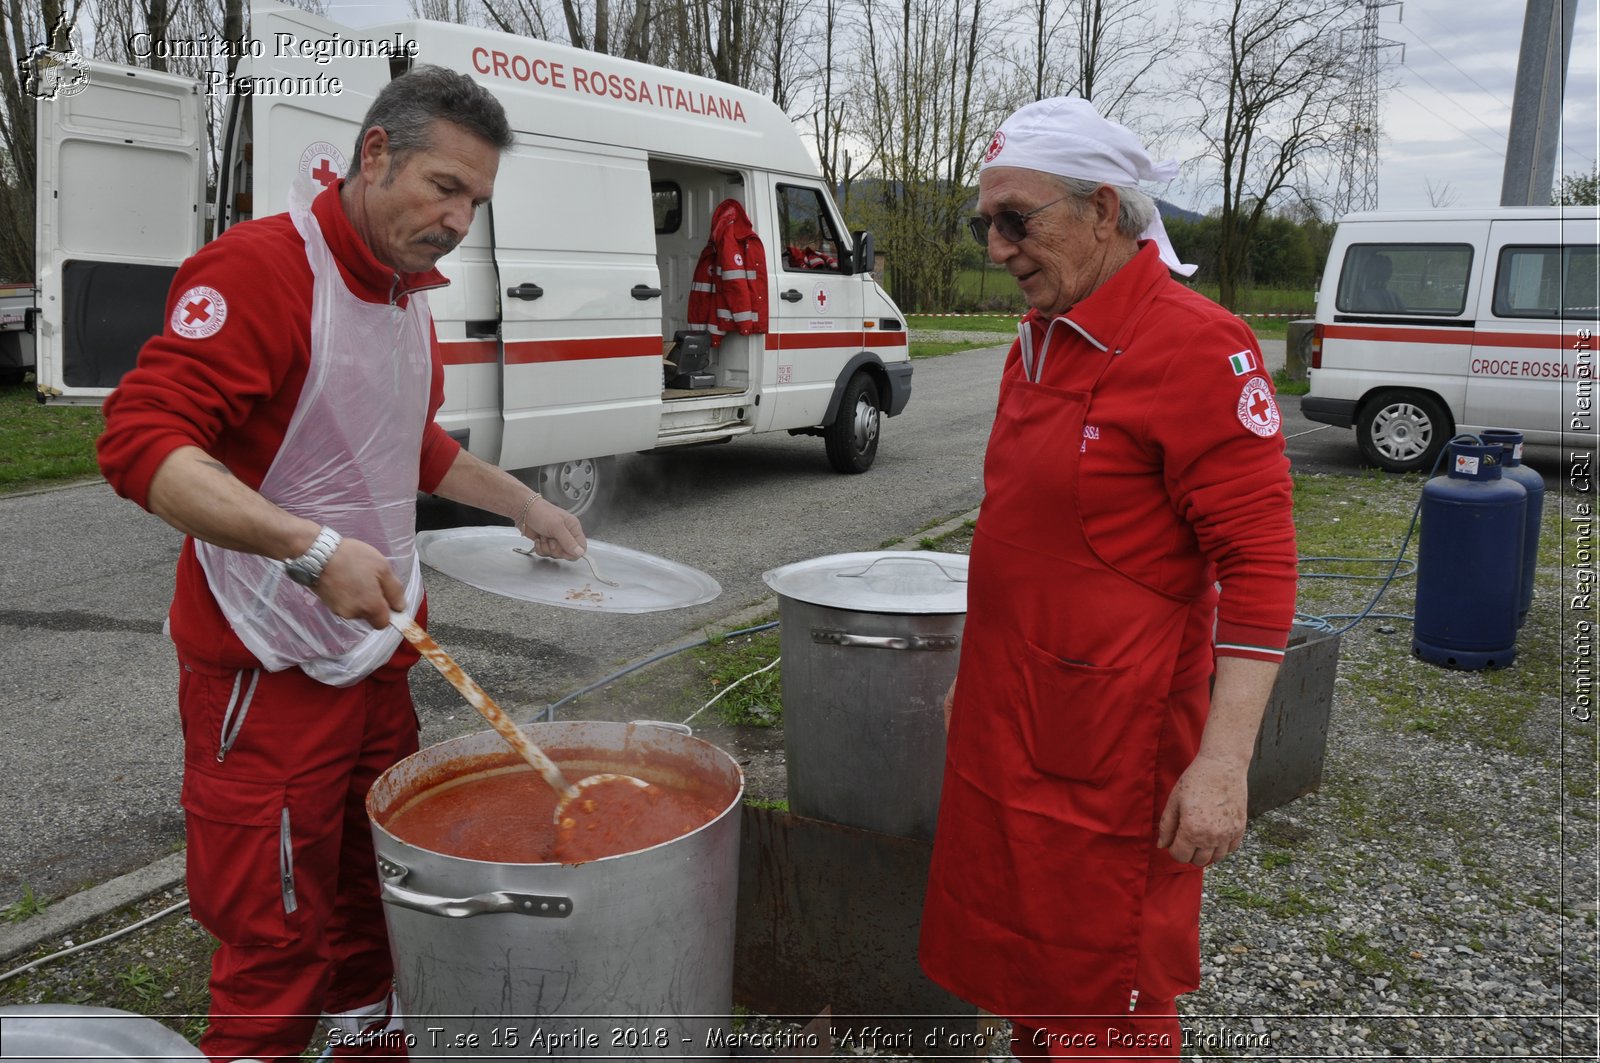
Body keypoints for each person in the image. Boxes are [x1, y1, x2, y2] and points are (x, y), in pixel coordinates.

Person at [96, 66, 586, 1061]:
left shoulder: (407, 292)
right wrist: (309, 550)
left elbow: (410, 444)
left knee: (380, 891)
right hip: (269, 666)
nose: (457, 219)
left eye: (475, 202)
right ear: (375, 156)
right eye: (444, 187)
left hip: (379, 656)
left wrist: (525, 503)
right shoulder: (262, 270)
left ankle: (372, 1044)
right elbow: (140, 442)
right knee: (276, 928)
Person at [917, 97, 1297, 1060]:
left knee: (1109, 982)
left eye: (1018, 219)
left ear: (1105, 211)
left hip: (1115, 744)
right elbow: (1014, 533)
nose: (997, 246)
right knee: (1025, 956)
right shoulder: (1036, 341)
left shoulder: (1198, 346)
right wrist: (977, 664)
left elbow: (1260, 565)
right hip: (1013, 716)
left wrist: (1221, 763)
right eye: (985, 222)